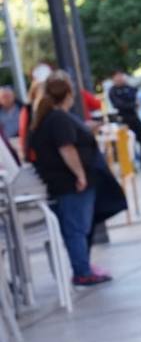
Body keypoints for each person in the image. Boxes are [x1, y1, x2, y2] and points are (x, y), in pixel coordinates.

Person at [29, 72, 114, 285]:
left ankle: (83, 265)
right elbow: (66, 148)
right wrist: (80, 174)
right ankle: (82, 270)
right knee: (76, 227)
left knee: (77, 226)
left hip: (64, 182)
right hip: (70, 182)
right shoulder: (58, 118)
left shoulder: (50, 117)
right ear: (69, 93)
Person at [107, 70, 141, 171]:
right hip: (122, 119)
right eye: (117, 76)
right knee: (127, 142)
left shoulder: (129, 87)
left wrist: (132, 104)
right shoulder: (112, 91)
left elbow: (136, 98)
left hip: (134, 117)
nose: (119, 78)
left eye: (120, 76)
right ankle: (131, 165)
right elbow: (118, 104)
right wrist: (131, 105)